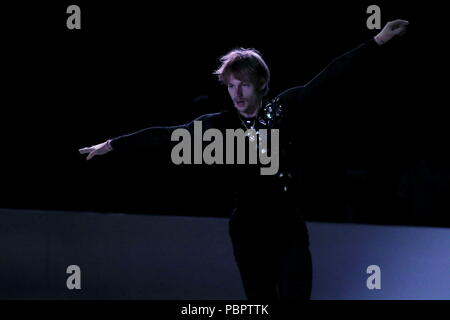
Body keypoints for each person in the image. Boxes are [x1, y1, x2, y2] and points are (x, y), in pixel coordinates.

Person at [79, 20, 409, 300]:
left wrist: (377, 41)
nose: (237, 95)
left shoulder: (283, 109)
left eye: (245, 86)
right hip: (247, 227)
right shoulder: (219, 124)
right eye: (231, 86)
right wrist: (113, 144)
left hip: (286, 223)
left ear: (262, 84)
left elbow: (329, 78)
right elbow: (167, 135)